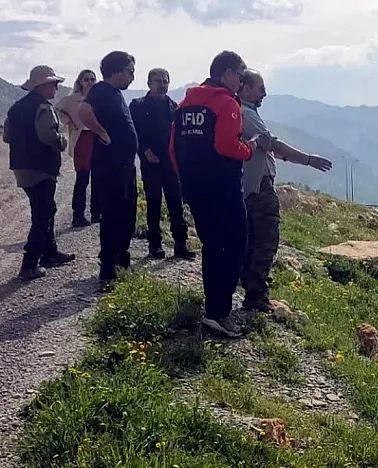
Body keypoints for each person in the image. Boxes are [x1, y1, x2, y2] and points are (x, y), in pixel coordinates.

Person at [170, 50, 254, 338]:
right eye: (240, 76)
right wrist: (250, 149)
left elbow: (173, 149)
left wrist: (187, 180)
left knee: (211, 245)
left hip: (195, 188)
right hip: (224, 187)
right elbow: (227, 146)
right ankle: (220, 312)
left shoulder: (184, 104)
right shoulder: (226, 104)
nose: (242, 83)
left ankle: (214, 308)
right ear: (227, 74)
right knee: (234, 245)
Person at [237, 69, 332, 312]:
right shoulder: (247, 114)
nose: (264, 93)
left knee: (253, 238)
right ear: (245, 88)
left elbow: (268, 147)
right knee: (266, 239)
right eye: (260, 88)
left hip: (247, 186)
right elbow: (273, 144)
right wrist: (308, 159)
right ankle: (256, 295)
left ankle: (250, 284)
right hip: (259, 185)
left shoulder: (242, 112)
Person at [2, 65, 76, 280]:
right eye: (54, 84)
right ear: (42, 86)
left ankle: (50, 253)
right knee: (41, 215)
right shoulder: (43, 107)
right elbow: (48, 136)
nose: (56, 87)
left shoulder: (16, 108)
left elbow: (7, 137)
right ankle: (29, 264)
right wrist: (61, 141)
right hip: (40, 168)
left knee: (46, 209)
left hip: (21, 167)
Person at [77, 51, 139, 286]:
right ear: (119, 70)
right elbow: (83, 111)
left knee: (125, 217)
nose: (132, 77)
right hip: (112, 167)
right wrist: (101, 133)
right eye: (130, 71)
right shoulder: (102, 90)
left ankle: (120, 264)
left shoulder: (111, 93)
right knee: (114, 217)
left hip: (121, 165)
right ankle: (109, 270)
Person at [129, 68, 194, 260]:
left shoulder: (174, 107)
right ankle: (154, 244)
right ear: (149, 83)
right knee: (153, 203)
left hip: (171, 163)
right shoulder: (138, 106)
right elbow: (133, 133)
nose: (161, 85)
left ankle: (180, 244)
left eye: (165, 81)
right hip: (151, 164)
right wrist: (145, 150)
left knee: (175, 203)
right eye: (157, 81)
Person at [55, 69, 100, 227]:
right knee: (82, 178)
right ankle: (78, 215)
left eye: (92, 79)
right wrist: (69, 122)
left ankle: (96, 212)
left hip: (96, 138)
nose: (89, 82)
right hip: (81, 139)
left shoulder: (97, 98)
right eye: (86, 79)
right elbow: (57, 110)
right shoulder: (72, 99)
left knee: (97, 178)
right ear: (80, 81)